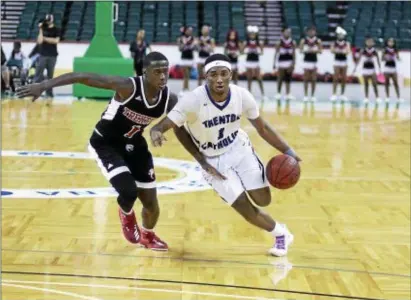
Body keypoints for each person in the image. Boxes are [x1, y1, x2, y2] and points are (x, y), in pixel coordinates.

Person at [17, 52, 215, 251]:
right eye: (157, 72)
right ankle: (126, 214)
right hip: (106, 143)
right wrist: (43, 86)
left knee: (151, 203)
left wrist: (201, 159)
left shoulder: (168, 99)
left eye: (165, 71)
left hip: (135, 146)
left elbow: (179, 129)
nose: (163, 76)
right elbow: (81, 76)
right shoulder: (127, 86)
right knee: (128, 192)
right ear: (145, 72)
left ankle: (147, 235)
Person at [150, 53, 299, 257]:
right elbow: (169, 125)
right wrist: (157, 131)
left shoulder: (241, 95)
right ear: (205, 77)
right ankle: (281, 235)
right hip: (212, 161)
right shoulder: (193, 100)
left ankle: (252, 178)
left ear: (231, 75)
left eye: (223, 74)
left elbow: (263, 128)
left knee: (263, 200)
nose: (219, 79)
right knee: (246, 210)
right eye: (213, 74)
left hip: (239, 149)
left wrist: (288, 151)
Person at [33, 13, 60, 97]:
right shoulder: (43, 29)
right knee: (38, 74)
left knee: (50, 75)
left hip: (52, 55)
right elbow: (39, 41)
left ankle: (49, 92)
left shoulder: (56, 29)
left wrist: (45, 38)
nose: (47, 22)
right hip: (43, 54)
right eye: (46, 20)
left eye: (49, 20)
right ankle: (35, 91)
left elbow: (56, 41)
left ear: (52, 20)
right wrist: (40, 29)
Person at [353, 37, 381, 104]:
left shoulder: (375, 51)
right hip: (365, 69)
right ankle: (366, 97)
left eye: (371, 42)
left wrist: (379, 69)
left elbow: (378, 60)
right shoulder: (363, 50)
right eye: (368, 42)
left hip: (372, 69)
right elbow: (358, 60)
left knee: (374, 84)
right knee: (366, 84)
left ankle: (377, 97)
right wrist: (355, 68)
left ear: (373, 43)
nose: (369, 43)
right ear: (366, 43)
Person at [299, 26, 322, 103]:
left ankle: (312, 95)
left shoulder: (318, 41)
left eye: (313, 31)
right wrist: (306, 50)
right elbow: (300, 50)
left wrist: (314, 51)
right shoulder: (304, 40)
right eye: (310, 31)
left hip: (314, 61)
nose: (311, 32)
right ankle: (305, 95)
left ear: (315, 32)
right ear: (307, 32)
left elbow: (320, 51)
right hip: (306, 61)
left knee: (313, 79)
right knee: (306, 79)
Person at [274, 27, 296, 101]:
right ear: (283, 33)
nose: (288, 33)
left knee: (288, 78)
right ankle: (278, 93)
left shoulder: (293, 42)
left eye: (289, 32)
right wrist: (274, 63)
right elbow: (276, 53)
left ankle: (288, 94)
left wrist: (293, 64)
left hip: (289, 62)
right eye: (286, 32)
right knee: (280, 78)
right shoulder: (279, 42)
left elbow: (294, 54)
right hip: (281, 62)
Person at [330, 27, 350, 102]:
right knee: (335, 78)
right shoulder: (334, 43)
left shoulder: (347, 43)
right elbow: (332, 50)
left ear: (344, 36)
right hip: (337, 61)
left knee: (343, 78)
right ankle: (334, 94)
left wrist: (338, 51)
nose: (340, 36)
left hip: (344, 61)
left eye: (342, 35)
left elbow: (348, 51)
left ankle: (342, 94)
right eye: (339, 35)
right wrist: (341, 51)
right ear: (337, 35)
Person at [243, 26, 264, 97]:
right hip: (248, 61)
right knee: (249, 78)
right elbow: (242, 52)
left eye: (254, 33)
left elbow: (262, 52)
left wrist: (256, 51)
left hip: (256, 61)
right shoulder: (246, 42)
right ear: (249, 34)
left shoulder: (259, 42)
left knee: (259, 78)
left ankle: (263, 94)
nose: (252, 35)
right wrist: (247, 51)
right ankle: (249, 95)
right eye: (251, 33)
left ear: (256, 34)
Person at [382, 38, 401, 103]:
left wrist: (398, 58)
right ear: (387, 43)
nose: (391, 43)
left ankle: (398, 97)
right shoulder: (385, 50)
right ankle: (387, 97)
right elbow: (382, 59)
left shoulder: (396, 50)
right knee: (386, 83)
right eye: (389, 42)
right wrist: (386, 58)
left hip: (393, 68)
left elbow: (398, 58)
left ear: (394, 43)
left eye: (392, 42)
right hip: (387, 68)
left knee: (395, 83)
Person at [178, 26, 195, 93]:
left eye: (190, 31)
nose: (189, 32)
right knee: (185, 75)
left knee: (188, 75)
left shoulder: (193, 39)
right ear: (185, 31)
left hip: (190, 58)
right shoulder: (181, 38)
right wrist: (184, 43)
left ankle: (186, 89)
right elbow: (180, 49)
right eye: (188, 30)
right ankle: (184, 89)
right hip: (184, 58)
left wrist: (194, 45)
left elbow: (195, 48)